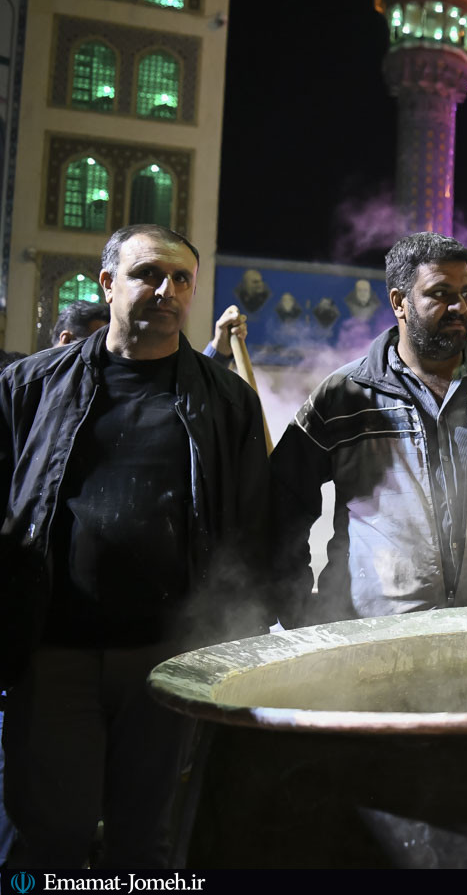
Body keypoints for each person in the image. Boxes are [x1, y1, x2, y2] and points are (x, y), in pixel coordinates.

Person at [0, 224, 275, 867]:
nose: (166, 290)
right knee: (46, 838)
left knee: (148, 843)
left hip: (169, 660)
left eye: (181, 279)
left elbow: (252, 528)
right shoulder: (30, 388)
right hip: (52, 656)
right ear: (107, 283)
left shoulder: (226, 402)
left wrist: (249, 640)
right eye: (148, 273)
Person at [270, 232, 467, 624]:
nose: (459, 307)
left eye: (466, 293)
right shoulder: (346, 395)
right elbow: (282, 502)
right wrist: (293, 602)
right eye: (440, 294)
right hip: (377, 630)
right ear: (399, 302)